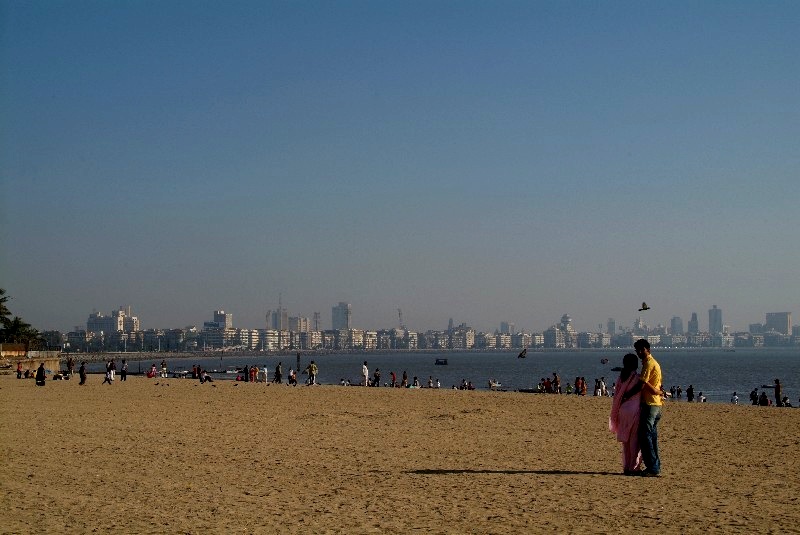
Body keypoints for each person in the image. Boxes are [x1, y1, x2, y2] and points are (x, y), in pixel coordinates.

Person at [621, 339, 663, 477]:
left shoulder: (649, 363)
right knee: (651, 436)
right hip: (655, 403)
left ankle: (653, 467)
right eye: (637, 350)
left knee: (645, 436)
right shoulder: (649, 363)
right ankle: (655, 466)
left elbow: (641, 385)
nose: (639, 352)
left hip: (651, 404)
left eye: (641, 349)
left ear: (648, 349)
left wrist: (626, 395)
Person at [609, 353, 642, 475]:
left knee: (626, 442)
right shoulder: (637, 378)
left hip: (622, 410)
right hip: (634, 411)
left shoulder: (621, 377)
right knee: (634, 441)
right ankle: (633, 467)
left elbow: (617, 394)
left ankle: (626, 467)